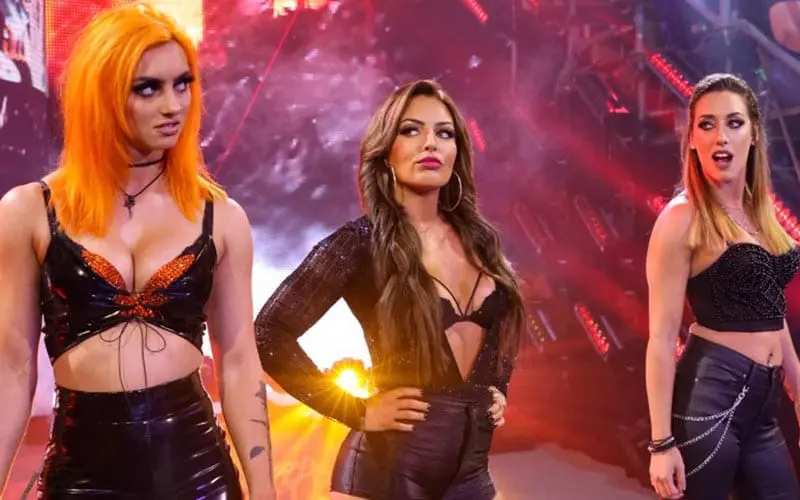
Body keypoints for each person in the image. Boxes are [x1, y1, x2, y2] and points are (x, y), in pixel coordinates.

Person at [0, 5, 275, 498]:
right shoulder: (28, 212)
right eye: (148, 88)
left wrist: (265, 490)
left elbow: (237, 361)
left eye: (183, 84)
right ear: (101, 94)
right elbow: (12, 367)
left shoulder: (221, 216)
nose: (174, 105)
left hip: (199, 473)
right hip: (81, 477)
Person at [254, 79, 526, 499]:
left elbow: (502, 330)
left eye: (444, 133)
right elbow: (269, 332)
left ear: (458, 151)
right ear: (385, 151)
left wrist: (497, 390)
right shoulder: (360, 243)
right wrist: (355, 410)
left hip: (470, 476)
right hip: (383, 472)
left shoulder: (482, 243)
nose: (430, 143)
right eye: (411, 130)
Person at [645, 72, 800, 500]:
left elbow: (770, 310)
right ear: (692, 139)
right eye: (707, 124)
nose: (721, 137)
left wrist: (796, 383)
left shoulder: (758, 210)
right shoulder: (682, 218)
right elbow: (661, 338)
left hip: (763, 408)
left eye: (733, 122)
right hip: (710, 400)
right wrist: (661, 443)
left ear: (754, 133)